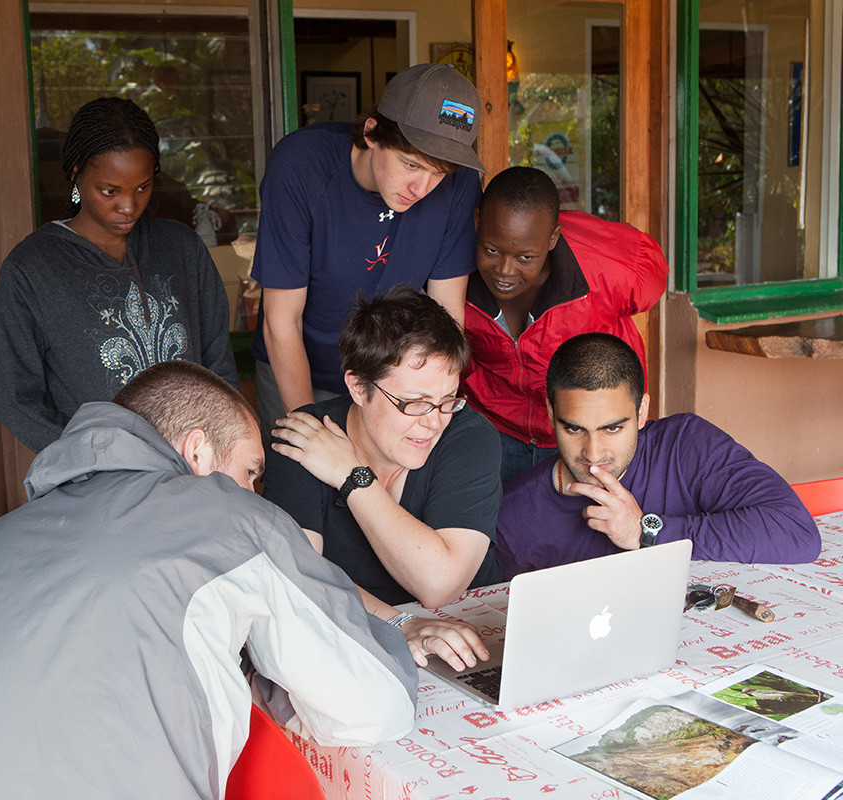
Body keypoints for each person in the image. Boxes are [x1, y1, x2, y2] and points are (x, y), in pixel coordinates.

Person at [0, 361, 426, 799]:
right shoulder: (234, 518)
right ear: (196, 454)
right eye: (250, 472)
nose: (252, 492)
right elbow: (375, 705)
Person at [264, 288, 501, 662]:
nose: (433, 422)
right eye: (415, 403)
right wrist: (399, 622)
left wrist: (352, 475)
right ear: (358, 387)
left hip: (471, 633)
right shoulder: (303, 439)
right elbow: (298, 580)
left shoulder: (468, 436)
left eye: (447, 400)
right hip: (356, 634)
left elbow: (440, 584)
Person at [0, 96, 238, 453]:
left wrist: (215, 447)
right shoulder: (32, 269)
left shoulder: (181, 248)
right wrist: (86, 461)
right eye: (110, 191)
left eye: (143, 187)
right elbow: (15, 397)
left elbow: (218, 362)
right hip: (97, 485)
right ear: (76, 172)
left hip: (192, 469)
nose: (129, 206)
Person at [251, 63, 486, 436]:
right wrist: (314, 436)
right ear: (372, 132)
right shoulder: (299, 167)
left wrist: (433, 408)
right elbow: (282, 323)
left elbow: (447, 315)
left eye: (438, 173)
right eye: (410, 164)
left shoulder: (458, 185)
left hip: (395, 384)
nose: (422, 188)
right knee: (304, 481)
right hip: (298, 365)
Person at [496, 333, 820, 580]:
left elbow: (796, 533)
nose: (593, 454)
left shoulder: (684, 445)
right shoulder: (512, 514)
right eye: (574, 430)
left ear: (641, 413)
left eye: (612, 429)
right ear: (552, 413)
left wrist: (646, 532)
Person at [462, 166, 668, 482]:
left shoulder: (611, 267)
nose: (504, 270)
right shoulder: (449, 273)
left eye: (525, 257)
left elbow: (652, 283)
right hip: (494, 425)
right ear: (477, 223)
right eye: (492, 250)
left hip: (588, 433)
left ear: (552, 237)